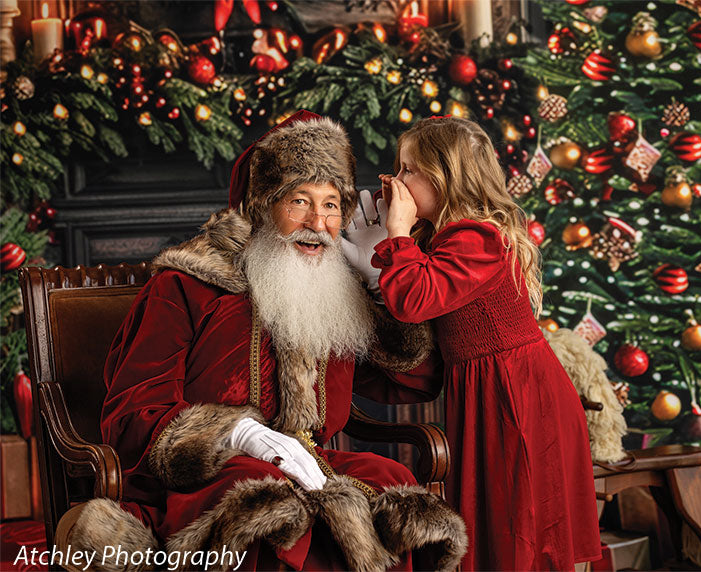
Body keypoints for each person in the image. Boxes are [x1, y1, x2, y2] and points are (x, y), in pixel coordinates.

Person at [65, 111, 467, 572]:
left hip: (313, 464)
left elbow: (410, 383)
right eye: (299, 201)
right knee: (263, 497)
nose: (318, 221)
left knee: (390, 480)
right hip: (204, 472)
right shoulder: (188, 284)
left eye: (332, 204)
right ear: (262, 205)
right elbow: (132, 411)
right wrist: (241, 433)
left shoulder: (336, 289)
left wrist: (380, 280)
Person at [342, 116, 602, 571]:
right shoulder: (444, 242)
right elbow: (422, 329)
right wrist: (377, 270)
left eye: (408, 171)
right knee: (495, 526)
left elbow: (415, 300)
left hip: (517, 399)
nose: (395, 183)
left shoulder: (477, 237)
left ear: (445, 178)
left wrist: (396, 236)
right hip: (486, 393)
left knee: (517, 524)